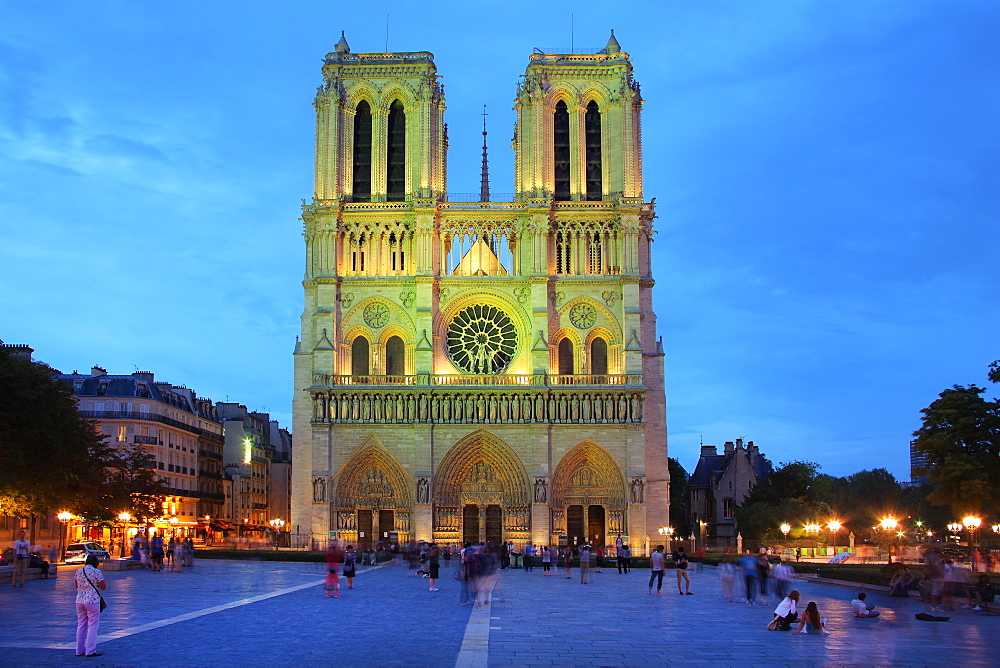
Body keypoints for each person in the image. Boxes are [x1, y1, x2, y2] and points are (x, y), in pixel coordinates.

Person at [74, 554, 106, 657]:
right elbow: (103, 587)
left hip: (79, 600)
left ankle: (79, 650)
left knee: (81, 625)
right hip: (92, 600)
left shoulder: (78, 571)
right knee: (92, 625)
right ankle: (90, 650)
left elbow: (76, 585)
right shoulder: (97, 572)